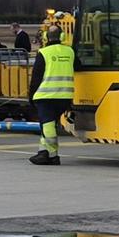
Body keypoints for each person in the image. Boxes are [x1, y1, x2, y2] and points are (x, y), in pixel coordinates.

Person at [27, 25, 73, 167]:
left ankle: (53, 155)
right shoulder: (70, 52)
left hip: (46, 96)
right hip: (65, 97)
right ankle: (43, 152)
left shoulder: (44, 52)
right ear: (62, 37)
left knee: (47, 125)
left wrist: (31, 96)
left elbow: (36, 77)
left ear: (46, 37)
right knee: (49, 125)